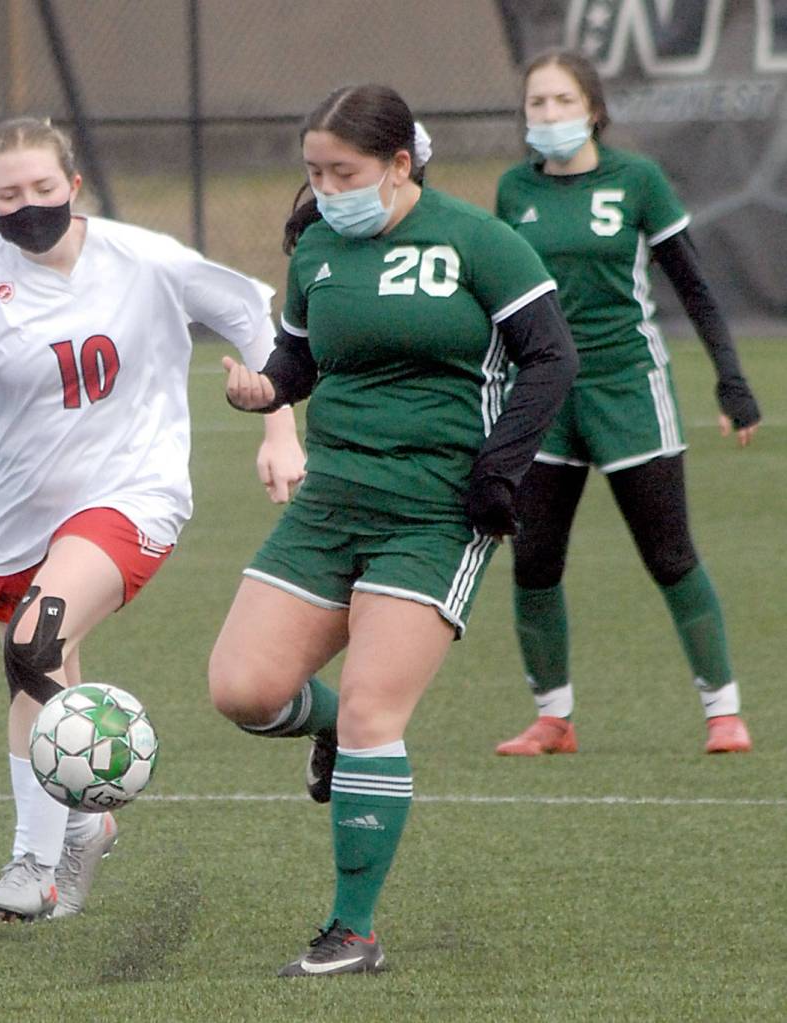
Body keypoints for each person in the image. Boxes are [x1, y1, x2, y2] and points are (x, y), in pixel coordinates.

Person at [208, 84, 579, 976]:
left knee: (379, 710)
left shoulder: (475, 239)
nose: (326, 186)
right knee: (242, 690)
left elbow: (550, 356)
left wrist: (497, 472)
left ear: (399, 164)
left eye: (344, 171)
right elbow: (299, 354)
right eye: (314, 170)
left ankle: (352, 929)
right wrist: (267, 388)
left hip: (436, 509)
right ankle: (324, 729)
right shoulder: (318, 247)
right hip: (333, 497)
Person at [0, 116, 305, 922]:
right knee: (38, 669)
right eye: (8, 194)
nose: (28, 205)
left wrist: (278, 424)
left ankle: (36, 856)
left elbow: (261, 315)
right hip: (21, 515)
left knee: (33, 639)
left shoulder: (142, 259)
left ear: (73, 187)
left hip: (135, 492)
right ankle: (81, 830)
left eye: (43, 189)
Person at [492, 50, 762, 757]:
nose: (547, 115)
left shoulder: (635, 179)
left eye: (560, 101)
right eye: (535, 104)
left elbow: (695, 286)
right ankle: (553, 718)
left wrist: (729, 378)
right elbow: (499, 305)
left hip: (627, 388)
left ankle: (722, 709)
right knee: (535, 559)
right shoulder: (513, 191)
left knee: (668, 553)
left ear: (592, 108)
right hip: (544, 395)